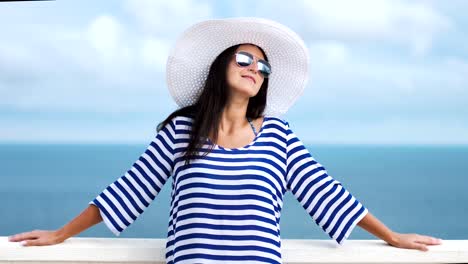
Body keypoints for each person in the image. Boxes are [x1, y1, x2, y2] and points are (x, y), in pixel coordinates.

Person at [9, 17, 442, 263]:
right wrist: (61, 233)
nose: (255, 67)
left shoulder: (277, 137)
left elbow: (327, 195)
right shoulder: (183, 132)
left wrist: (392, 236)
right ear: (221, 66)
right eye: (244, 58)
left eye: (264, 66)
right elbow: (127, 192)